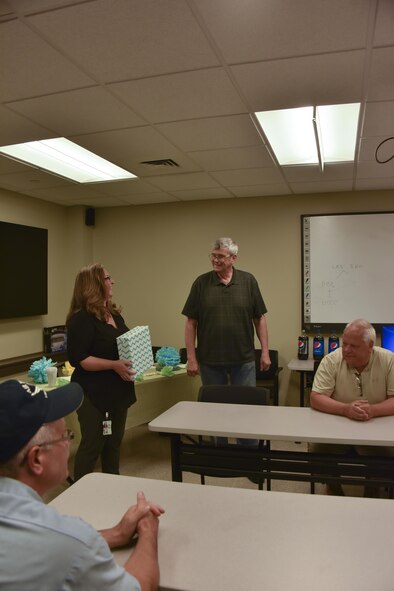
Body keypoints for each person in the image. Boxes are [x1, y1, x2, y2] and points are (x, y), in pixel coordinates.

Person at [0, 379, 164, 591]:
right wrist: (148, 531)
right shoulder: (65, 538)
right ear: (36, 459)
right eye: (66, 435)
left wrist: (116, 534)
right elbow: (138, 587)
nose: (69, 443)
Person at [66, 263, 136, 480]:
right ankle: (80, 493)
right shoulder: (82, 319)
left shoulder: (114, 314)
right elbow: (81, 359)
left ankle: (111, 486)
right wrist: (113, 365)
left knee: (113, 444)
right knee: (93, 444)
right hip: (93, 394)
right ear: (94, 285)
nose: (112, 281)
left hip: (118, 391)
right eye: (107, 278)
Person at [310, 318, 394, 495]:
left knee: (385, 455)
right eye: (344, 343)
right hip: (336, 428)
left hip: (376, 429)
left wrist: (373, 410)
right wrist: (345, 409)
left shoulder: (389, 360)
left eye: (353, 346)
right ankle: (334, 487)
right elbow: (316, 397)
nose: (346, 350)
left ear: (370, 345)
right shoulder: (331, 360)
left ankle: (372, 490)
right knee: (317, 451)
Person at [182, 237, 270, 386]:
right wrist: (191, 359)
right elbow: (191, 323)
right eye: (213, 255)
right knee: (214, 407)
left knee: (245, 406)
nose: (215, 260)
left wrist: (265, 352)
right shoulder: (201, 283)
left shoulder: (248, 281)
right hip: (210, 361)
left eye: (220, 256)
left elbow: (259, 319)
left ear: (233, 258)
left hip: (244, 360)